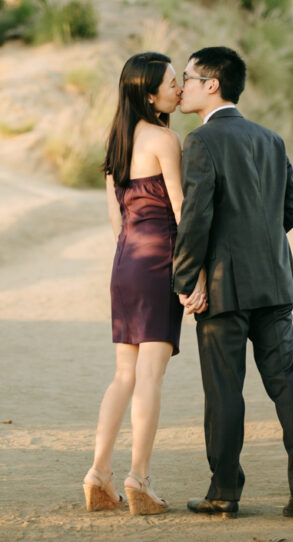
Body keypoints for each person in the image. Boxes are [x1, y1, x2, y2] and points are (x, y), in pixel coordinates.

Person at [173, 46, 293, 518]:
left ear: (212, 84)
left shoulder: (201, 142)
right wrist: (262, 243)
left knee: (224, 390)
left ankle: (224, 491)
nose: (184, 86)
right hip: (274, 282)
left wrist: (183, 277)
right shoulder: (270, 138)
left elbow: (196, 218)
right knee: (286, 383)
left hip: (222, 287)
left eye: (190, 77)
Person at [83, 52, 207, 515]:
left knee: (124, 374)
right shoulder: (164, 138)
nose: (179, 89)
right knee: (151, 375)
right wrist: (190, 273)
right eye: (172, 83)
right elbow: (180, 208)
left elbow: (115, 220)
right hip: (160, 260)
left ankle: (99, 473)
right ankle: (140, 477)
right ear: (149, 94)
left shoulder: (117, 142)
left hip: (125, 263)